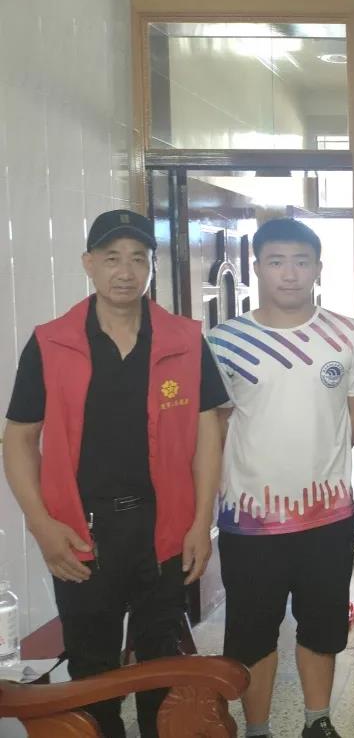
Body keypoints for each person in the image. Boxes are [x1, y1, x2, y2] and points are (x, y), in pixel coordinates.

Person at [3, 209, 226, 738]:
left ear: (150, 267)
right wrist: (41, 524)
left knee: (161, 663)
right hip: (81, 533)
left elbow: (208, 436)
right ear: (89, 264)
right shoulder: (51, 342)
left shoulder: (184, 339)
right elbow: (19, 438)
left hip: (164, 529)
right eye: (111, 258)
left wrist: (202, 523)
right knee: (91, 667)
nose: (125, 271)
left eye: (138, 259)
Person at [209, 218, 354, 738]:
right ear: (257, 267)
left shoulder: (349, 336)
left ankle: (317, 720)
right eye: (276, 262)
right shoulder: (224, 341)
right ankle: (257, 727)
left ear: (318, 268)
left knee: (322, 627)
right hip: (248, 521)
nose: (289, 273)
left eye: (301, 262)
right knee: (252, 632)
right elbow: (213, 429)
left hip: (326, 518)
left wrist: (314, 467)